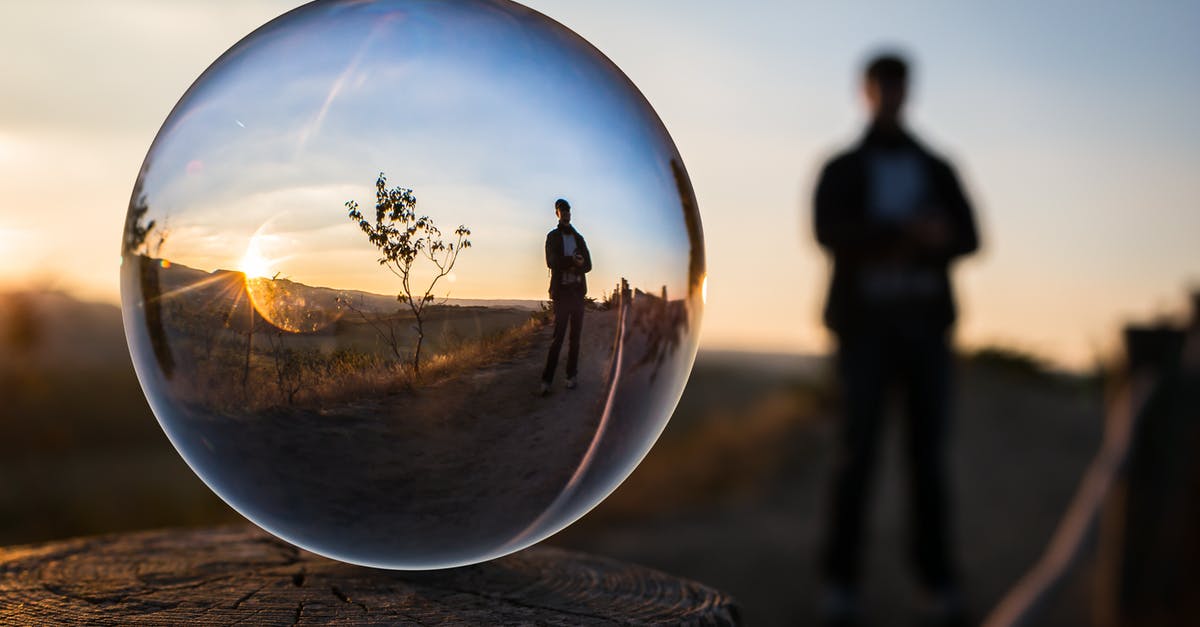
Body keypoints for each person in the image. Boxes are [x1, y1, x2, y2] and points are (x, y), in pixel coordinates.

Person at [813, 52, 979, 626]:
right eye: (881, 86)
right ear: (867, 91)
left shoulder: (937, 167)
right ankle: (840, 585)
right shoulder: (842, 167)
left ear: (908, 91)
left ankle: (936, 583)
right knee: (856, 456)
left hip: (925, 332)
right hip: (864, 333)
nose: (889, 95)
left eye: (897, 86)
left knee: (928, 461)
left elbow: (972, 237)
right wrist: (903, 232)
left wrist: (935, 237)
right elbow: (826, 231)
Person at [541, 198, 592, 395]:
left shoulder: (579, 238)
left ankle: (571, 376)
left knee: (575, 338)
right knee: (558, 338)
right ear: (557, 214)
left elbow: (588, 265)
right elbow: (551, 261)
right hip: (561, 294)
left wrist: (579, 264)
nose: (566, 213)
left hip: (577, 293)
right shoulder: (552, 236)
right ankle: (546, 380)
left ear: (571, 213)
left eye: (568, 210)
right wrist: (572, 261)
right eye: (562, 210)